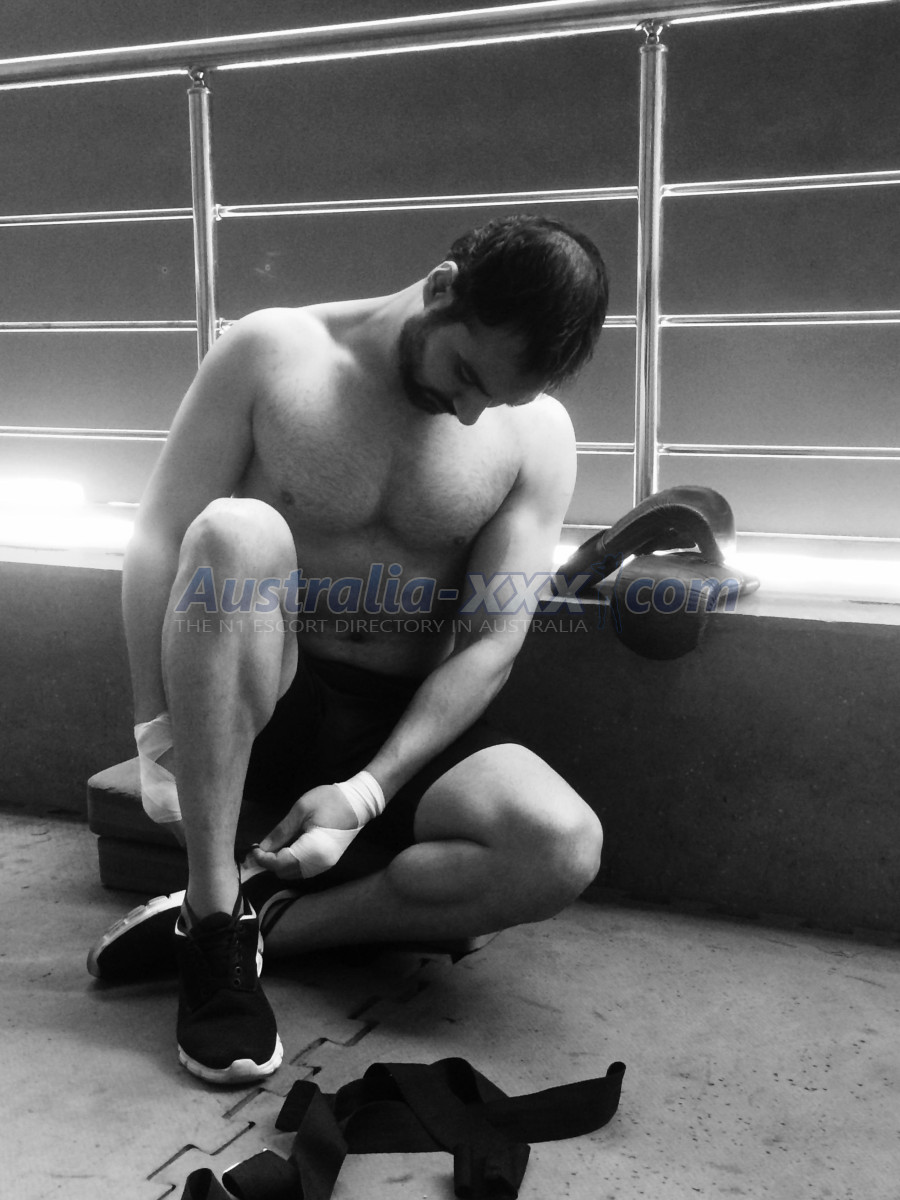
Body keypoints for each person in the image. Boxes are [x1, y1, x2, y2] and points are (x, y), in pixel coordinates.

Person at [88, 214, 609, 1086]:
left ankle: (261, 926)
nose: (470, 411)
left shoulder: (539, 436)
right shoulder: (271, 352)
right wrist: (152, 730)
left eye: (496, 400)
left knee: (559, 846)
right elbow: (158, 540)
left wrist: (368, 792)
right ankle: (212, 919)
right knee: (234, 531)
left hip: (403, 724)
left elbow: (494, 640)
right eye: (466, 374)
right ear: (442, 290)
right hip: (265, 700)